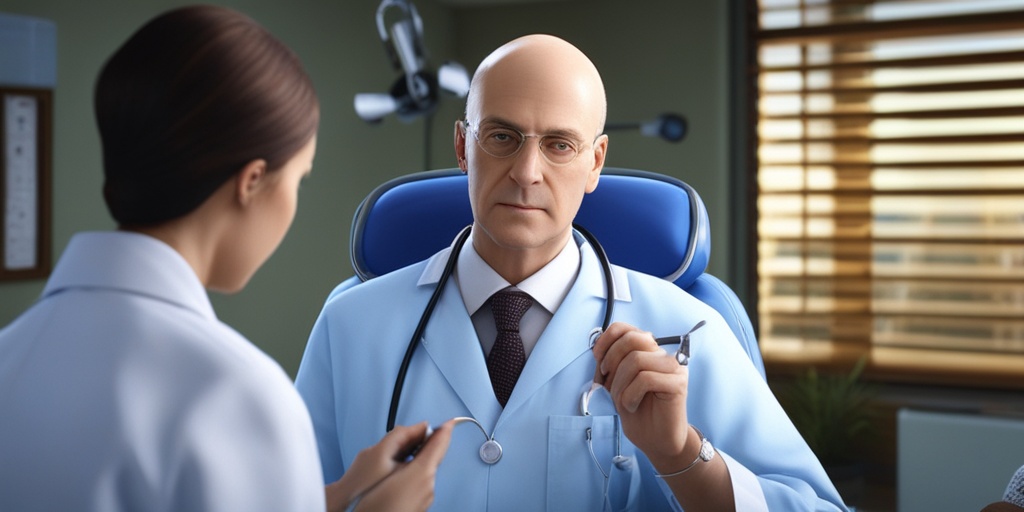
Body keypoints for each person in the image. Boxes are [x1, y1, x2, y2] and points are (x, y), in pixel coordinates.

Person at [295, 33, 847, 511]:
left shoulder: (689, 328)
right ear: (464, 146)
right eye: (502, 137)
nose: (527, 173)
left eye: (559, 144)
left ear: (595, 163)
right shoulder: (349, 326)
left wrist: (680, 455)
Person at [0, 6, 451, 512]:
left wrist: (334, 498)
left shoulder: (9, 357)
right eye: (299, 178)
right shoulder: (236, 397)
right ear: (252, 181)